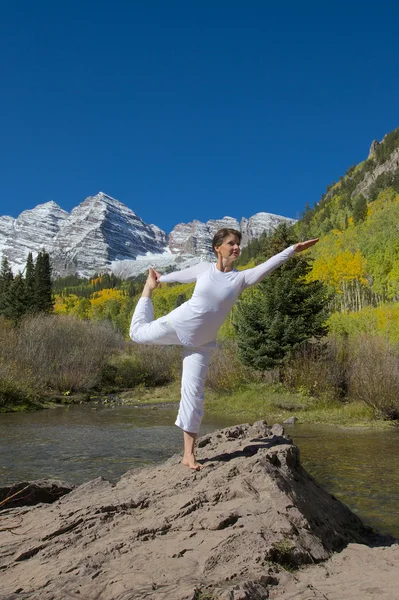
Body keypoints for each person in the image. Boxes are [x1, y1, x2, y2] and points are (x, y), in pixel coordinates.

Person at [130, 228, 318, 470]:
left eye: (238, 243)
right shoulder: (204, 269)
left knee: (194, 394)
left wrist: (292, 250)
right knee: (136, 334)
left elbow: (267, 266)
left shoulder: (240, 279)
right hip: (177, 325)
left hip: (202, 343)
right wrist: (159, 280)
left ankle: (188, 455)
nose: (237, 247)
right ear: (217, 248)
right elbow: (181, 275)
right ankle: (146, 292)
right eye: (231, 243)